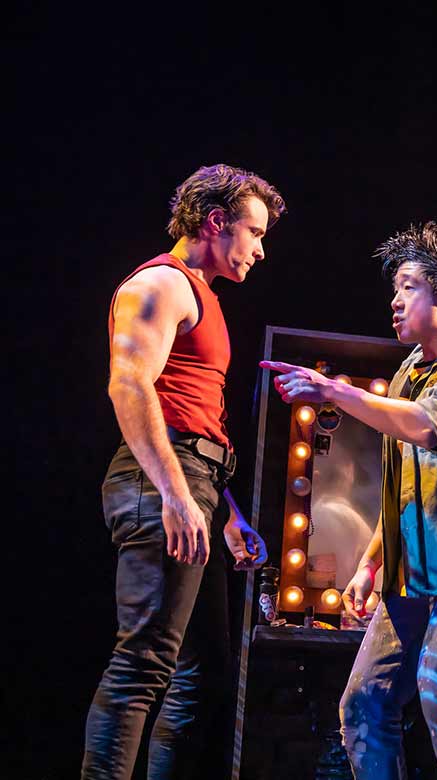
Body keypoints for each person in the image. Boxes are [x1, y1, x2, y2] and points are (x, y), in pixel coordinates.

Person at [262, 221, 437, 780]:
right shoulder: (409, 371)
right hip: (411, 575)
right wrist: (371, 562)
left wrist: (334, 390)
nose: (395, 300)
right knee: (363, 702)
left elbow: (431, 428)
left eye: (408, 287)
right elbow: (406, 481)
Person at [84, 164, 282, 778]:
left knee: (203, 671)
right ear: (216, 222)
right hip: (160, 479)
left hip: (193, 482)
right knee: (143, 662)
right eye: (253, 232)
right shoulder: (163, 284)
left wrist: (226, 515)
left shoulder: (205, 296)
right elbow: (129, 383)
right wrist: (174, 491)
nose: (260, 249)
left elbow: (195, 417)